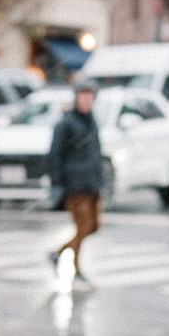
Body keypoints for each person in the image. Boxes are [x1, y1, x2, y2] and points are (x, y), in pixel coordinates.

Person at [47, 82, 105, 287]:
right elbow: (55, 155)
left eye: (90, 95)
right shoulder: (67, 123)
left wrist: (100, 179)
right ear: (77, 97)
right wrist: (58, 184)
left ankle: (58, 252)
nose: (86, 98)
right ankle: (76, 269)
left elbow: (96, 153)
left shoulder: (91, 121)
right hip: (74, 185)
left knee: (94, 226)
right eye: (83, 94)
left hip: (91, 184)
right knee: (84, 226)